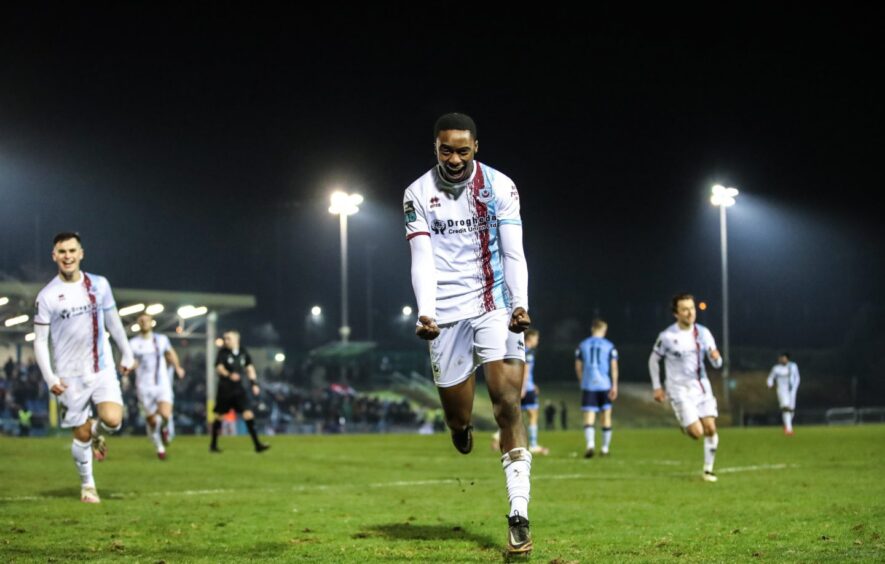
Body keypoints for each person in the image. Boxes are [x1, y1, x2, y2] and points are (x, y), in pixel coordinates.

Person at [404, 112, 533, 555]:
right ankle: (460, 431)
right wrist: (425, 313)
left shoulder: (500, 186)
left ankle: (519, 514)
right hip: (445, 315)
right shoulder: (417, 193)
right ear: (435, 147)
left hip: (495, 304)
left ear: (476, 146)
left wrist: (520, 304)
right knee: (458, 417)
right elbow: (421, 258)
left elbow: (514, 250)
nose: (454, 158)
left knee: (507, 403)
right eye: (446, 150)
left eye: (462, 149)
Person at [33, 232, 135, 503]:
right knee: (80, 434)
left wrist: (127, 353)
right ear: (54, 256)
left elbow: (113, 322)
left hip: (102, 368)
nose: (67, 256)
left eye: (72, 251)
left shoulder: (99, 285)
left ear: (81, 253)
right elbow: (40, 342)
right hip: (70, 375)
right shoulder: (47, 296)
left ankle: (98, 435)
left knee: (113, 420)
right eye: (62, 251)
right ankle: (88, 486)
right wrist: (49, 376)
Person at [648, 293, 723, 482]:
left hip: (701, 386)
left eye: (692, 308)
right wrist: (657, 387)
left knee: (711, 428)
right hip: (679, 389)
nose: (690, 313)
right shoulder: (667, 336)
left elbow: (717, 362)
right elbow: (653, 360)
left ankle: (708, 470)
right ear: (676, 313)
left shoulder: (703, 333)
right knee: (696, 433)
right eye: (685, 309)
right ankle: (685, 423)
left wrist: (716, 358)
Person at [128, 313, 186, 459]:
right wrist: (130, 366)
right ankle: (159, 447)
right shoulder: (133, 343)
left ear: (152, 323)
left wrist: (178, 367)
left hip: (162, 383)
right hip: (144, 386)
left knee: (165, 414)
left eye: (146, 320)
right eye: (141, 320)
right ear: (138, 323)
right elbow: (130, 361)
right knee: (152, 421)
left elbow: (171, 353)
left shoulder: (161, 340)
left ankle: (165, 428)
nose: (144, 322)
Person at [210, 330, 269, 453]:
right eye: (225, 339)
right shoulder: (223, 353)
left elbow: (249, 368)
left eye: (228, 339)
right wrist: (229, 374)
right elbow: (219, 368)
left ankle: (257, 444)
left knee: (248, 414)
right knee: (220, 416)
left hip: (239, 389)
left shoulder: (243, 352)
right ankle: (213, 445)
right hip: (225, 390)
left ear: (236, 340)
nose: (226, 341)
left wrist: (254, 384)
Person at [575, 319, 619, 458]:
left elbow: (577, 366)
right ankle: (605, 449)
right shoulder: (609, 345)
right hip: (604, 384)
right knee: (606, 417)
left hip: (589, 385)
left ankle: (590, 445)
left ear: (592, 329)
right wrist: (614, 385)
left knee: (589, 417)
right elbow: (614, 367)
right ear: (604, 330)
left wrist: (582, 381)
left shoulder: (582, 345)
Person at [767, 352, 800, 435]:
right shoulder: (776, 368)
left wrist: (795, 388)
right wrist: (770, 384)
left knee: (791, 410)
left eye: (783, 358)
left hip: (791, 391)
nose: (782, 359)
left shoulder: (793, 366)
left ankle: (787, 424)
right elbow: (770, 378)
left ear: (787, 359)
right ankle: (789, 430)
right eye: (781, 358)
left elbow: (797, 378)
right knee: (786, 408)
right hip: (782, 391)